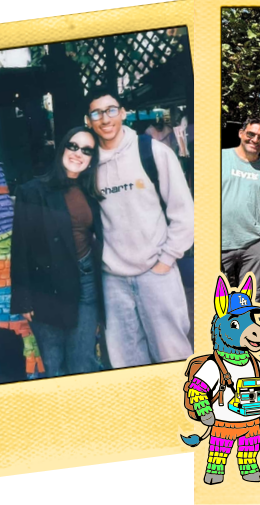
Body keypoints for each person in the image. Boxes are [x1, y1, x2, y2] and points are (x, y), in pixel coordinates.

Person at [87, 87, 194, 367]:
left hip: (157, 272)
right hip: (113, 280)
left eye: (111, 110)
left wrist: (166, 260)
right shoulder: (89, 165)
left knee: (173, 355)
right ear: (89, 121)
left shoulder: (153, 152)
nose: (105, 119)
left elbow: (183, 212)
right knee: (126, 361)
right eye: (96, 113)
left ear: (122, 113)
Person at [10, 126, 104, 377]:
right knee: (53, 365)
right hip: (47, 287)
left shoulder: (92, 192)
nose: (78, 153)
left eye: (86, 150)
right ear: (63, 147)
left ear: (92, 159)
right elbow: (20, 246)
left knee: (82, 362)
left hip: (85, 282)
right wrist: (23, 298)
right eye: (73, 146)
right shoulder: (32, 191)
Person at [221, 116, 260, 325]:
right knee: (212, 292)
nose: (255, 139)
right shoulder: (219, 158)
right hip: (218, 242)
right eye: (251, 134)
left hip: (254, 244)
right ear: (241, 133)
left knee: (249, 296)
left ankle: (240, 339)